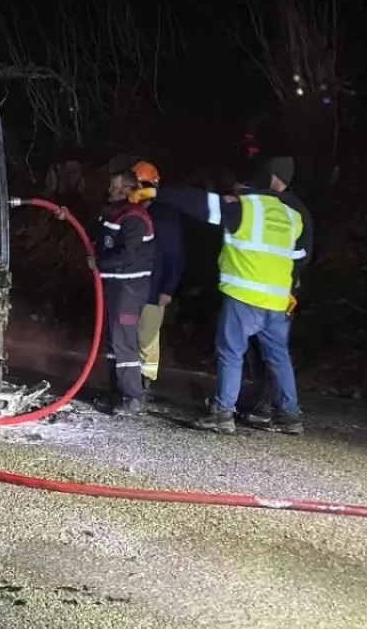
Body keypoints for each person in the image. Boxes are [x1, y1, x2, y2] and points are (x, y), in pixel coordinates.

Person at [153, 159, 307, 435]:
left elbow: (197, 204)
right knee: (279, 357)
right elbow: (298, 258)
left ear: (245, 187)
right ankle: (291, 416)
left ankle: (223, 413)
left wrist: (156, 193)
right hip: (278, 302)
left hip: (245, 297)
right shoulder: (290, 216)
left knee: (231, 353)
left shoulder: (243, 209)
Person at [244, 156, 313, 426]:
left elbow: (301, 255)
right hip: (270, 289)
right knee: (265, 350)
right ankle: (269, 404)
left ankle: (273, 406)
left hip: (277, 292)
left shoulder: (289, 208)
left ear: (274, 176)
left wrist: (289, 281)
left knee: (271, 350)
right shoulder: (294, 207)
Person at [92, 168, 156, 415]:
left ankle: (133, 397)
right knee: (112, 342)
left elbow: (126, 255)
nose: (110, 191)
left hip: (129, 287)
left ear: (128, 189)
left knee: (123, 342)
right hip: (114, 286)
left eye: (115, 187)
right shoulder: (114, 213)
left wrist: (99, 263)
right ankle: (116, 392)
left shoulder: (135, 217)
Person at [129, 160, 185, 395]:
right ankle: (129, 379)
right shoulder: (131, 211)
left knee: (147, 336)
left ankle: (146, 379)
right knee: (127, 333)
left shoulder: (164, 215)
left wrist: (168, 289)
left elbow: (175, 255)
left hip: (154, 286)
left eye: (142, 184)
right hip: (130, 284)